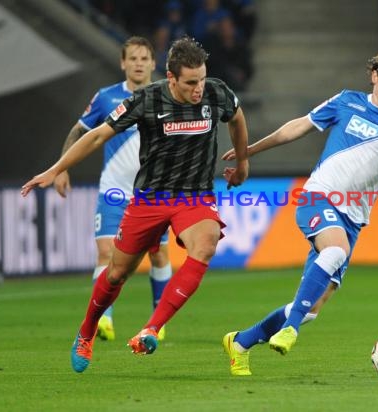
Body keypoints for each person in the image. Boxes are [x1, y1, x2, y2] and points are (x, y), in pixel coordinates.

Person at [21, 36, 249, 373]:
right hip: (150, 199)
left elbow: (237, 118)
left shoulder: (216, 92)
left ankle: (151, 328)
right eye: (190, 82)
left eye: (201, 78)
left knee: (206, 243)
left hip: (194, 195)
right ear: (171, 78)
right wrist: (57, 168)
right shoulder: (146, 100)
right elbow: (98, 135)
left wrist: (243, 163)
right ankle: (86, 333)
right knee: (116, 273)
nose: (199, 88)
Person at [221, 50, 378, 376]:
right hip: (319, 196)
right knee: (335, 251)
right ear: (374, 76)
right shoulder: (346, 101)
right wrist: (248, 150)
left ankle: (240, 342)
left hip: (353, 218)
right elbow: (295, 128)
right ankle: (289, 330)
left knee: (311, 309)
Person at [53, 36, 173, 342]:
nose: (138, 64)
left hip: (152, 194)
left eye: (144, 58)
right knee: (106, 252)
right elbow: (81, 130)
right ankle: (104, 318)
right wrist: (62, 166)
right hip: (114, 192)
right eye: (132, 58)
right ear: (122, 63)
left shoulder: (166, 96)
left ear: (153, 63)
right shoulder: (106, 98)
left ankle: (157, 322)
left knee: (158, 255)